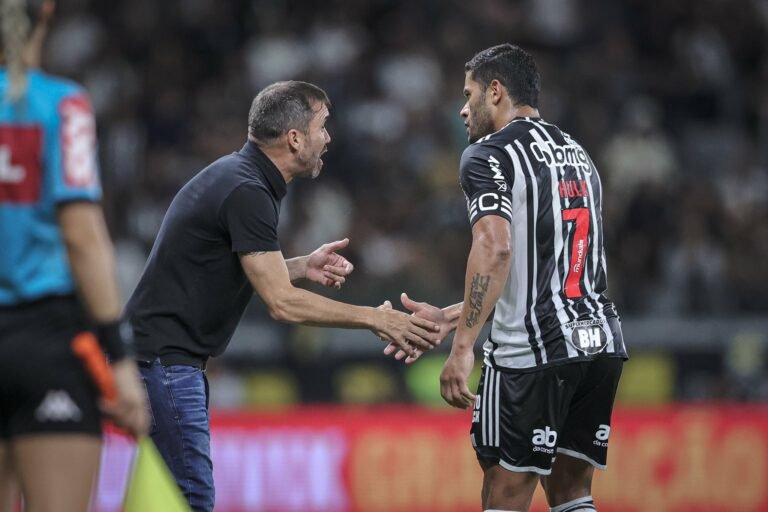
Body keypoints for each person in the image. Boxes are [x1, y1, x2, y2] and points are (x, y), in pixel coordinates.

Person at [124, 80, 441, 512]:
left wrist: (298, 266)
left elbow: (226, 267)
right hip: (165, 363)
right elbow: (281, 302)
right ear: (295, 138)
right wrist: (376, 318)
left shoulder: (241, 177)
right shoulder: (248, 190)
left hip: (158, 359)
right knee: (191, 498)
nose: (328, 138)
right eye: (322, 126)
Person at [389, 44, 628, 512]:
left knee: (504, 492)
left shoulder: (488, 155)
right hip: (598, 345)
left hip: (531, 354)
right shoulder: (577, 153)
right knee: (571, 493)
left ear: (495, 92)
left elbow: (495, 248)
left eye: (468, 93)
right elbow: (544, 270)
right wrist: (455, 315)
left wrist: (462, 347)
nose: (462, 108)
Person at [0, 1, 149, 511]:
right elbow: (83, 236)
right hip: (47, 344)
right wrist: (120, 362)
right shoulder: (62, 106)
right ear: (45, 10)